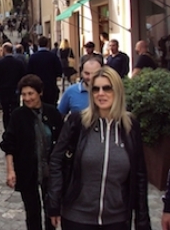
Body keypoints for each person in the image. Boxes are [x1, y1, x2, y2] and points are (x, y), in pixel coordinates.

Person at [47, 66, 151, 230]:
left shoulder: (130, 127)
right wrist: (54, 202)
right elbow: (56, 161)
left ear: (117, 91)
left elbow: (139, 175)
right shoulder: (78, 122)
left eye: (107, 88)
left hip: (117, 219)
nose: (100, 93)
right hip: (77, 217)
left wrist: (142, 220)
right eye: (96, 89)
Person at [0, 74, 63, 230]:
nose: (27, 98)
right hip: (27, 170)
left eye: (30, 94)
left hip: (51, 170)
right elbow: (9, 144)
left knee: (51, 210)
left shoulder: (52, 113)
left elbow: (62, 142)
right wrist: (10, 170)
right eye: (24, 94)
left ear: (39, 92)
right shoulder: (18, 116)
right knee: (32, 211)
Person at [0, 42, 26, 129]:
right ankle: (16, 127)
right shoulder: (18, 63)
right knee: (16, 109)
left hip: (4, 90)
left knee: (6, 112)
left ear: (4, 50)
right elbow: (23, 76)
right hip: (15, 90)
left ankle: (7, 129)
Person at [27, 36, 63, 105]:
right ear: (47, 44)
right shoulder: (53, 56)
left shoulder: (33, 57)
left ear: (38, 44)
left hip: (37, 87)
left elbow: (29, 72)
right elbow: (59, 71)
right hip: (51, 86)